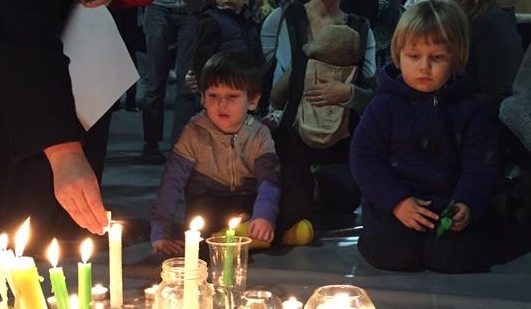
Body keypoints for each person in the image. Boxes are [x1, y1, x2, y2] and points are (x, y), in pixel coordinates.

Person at [350, 0, 501, 273]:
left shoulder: (467, 108)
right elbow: (364, 158)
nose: (424, 67)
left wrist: (466, 201)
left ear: (456, 57)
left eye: (437, 57)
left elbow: (481, 163)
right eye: (414, 56)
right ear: (399, 55)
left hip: (445, 204)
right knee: (393, 255)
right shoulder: (384, 105)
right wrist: (396, 201)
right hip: (392, 204)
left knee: (455, 259)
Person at [0, 0, 110, 253]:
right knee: (25, 233)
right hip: (21, 104)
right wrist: (63, 150)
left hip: (73, 77)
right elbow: (18, 25)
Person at [260, 0, 376, 240]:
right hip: (293, 138)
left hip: (341, 145)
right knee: (293, 205)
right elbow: (272, 93)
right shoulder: (285, 19)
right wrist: (305, 68)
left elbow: (374, 99)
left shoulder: (360, 28)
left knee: (340, 201)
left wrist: (348, 93)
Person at [150, 51, 280, 255]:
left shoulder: (259, 134)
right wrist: (160, 233)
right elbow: (171, 182)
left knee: (279, 202)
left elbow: (268, 180)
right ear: (202, 97)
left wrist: (264, 215)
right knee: (203, 219)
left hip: (245, 197)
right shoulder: (194, 131)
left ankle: (252, 229)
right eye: (213, 95)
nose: (222, 104)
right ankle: (240, 236)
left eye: (232, 96)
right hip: (207, 198)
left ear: (253, 101)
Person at [140, 0, 201, 164]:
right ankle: (151, 144)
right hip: (158, 7)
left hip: (191, 10)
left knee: (187, 84)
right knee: (155, 81)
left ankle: (180, 147)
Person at [184, 0, 264, 95]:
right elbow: (201, 63)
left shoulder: (251, 23)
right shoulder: (210, 21)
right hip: (220, 91)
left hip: (246, 90)